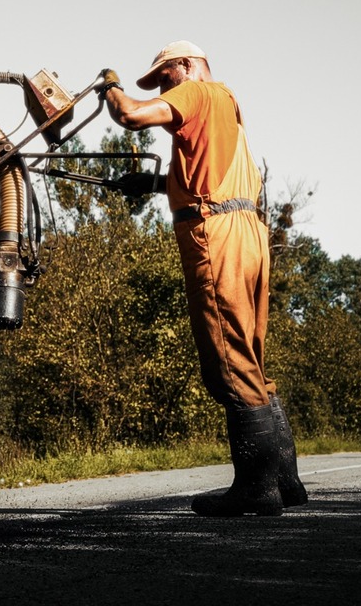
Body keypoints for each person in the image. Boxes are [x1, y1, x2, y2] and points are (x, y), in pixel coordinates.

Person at [101, 40, 307, 517]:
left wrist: (110, 86)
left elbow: (130, 115)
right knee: (250, 358)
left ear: (188, 66)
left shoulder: (196, 91)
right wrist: (153, 184)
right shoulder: (226, 106)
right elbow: (204, 177)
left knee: (229, 363)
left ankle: (257, 490)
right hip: (250, 231)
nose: (164, 89)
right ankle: (286, 482)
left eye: (164, 77)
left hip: (216, 237)